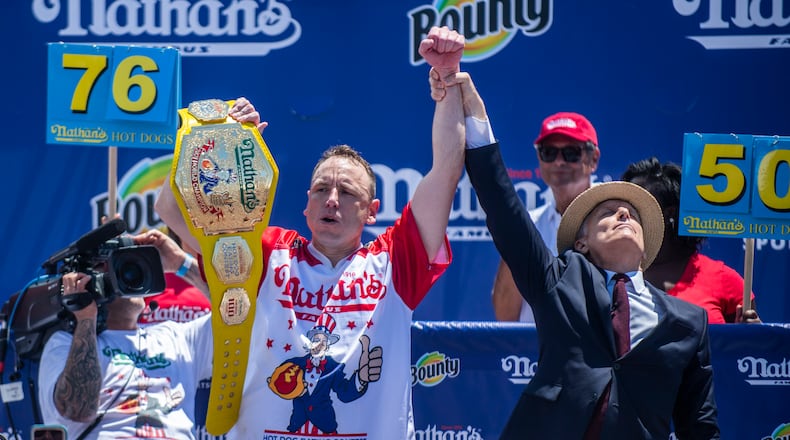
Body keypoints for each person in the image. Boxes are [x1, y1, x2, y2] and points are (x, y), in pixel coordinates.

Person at [155, 26, 465, 438]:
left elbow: (446, 169)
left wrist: (448, 77)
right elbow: (169, 210)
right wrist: (214, 141)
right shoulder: (265, 251)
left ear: (372, 211)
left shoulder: (396, 260)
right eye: (321, 189)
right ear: (305, 206)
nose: (331, 199)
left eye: (346, 191)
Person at [430, 71, 719, 438]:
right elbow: (501, 204)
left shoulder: (689, 322)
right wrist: (470, 102)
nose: (624, 214)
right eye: (608, 212)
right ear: (581, 243)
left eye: (632, 214)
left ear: (649, 243)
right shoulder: (560, 281)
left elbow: (701, 427)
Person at [37, 99, 263, 439]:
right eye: (113, 264)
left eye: (133, 261)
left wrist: (183, 264)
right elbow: (76, 410)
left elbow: (238, 311)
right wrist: (85, 320)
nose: (129, 271)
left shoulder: (176, 336)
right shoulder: (63, 343)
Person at [621, 157, 761, 324]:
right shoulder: (611, 278)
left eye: (638, 205)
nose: (625, 214)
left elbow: (751, 348)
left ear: (670, 213)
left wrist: (751, 335)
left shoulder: (724, 279)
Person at [491, 111, 600, 322]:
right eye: (549, 152)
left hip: (598, 353)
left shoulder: (616, 218)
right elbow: (505, 316)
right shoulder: (526, 225)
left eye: (570, 152)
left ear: (593, 158)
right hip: (534, 353)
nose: (559, 162)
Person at [138, 228, 211, 325]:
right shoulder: (153, 278)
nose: (196, 238)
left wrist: (183, 263)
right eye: (191, 231)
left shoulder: (224, 279)